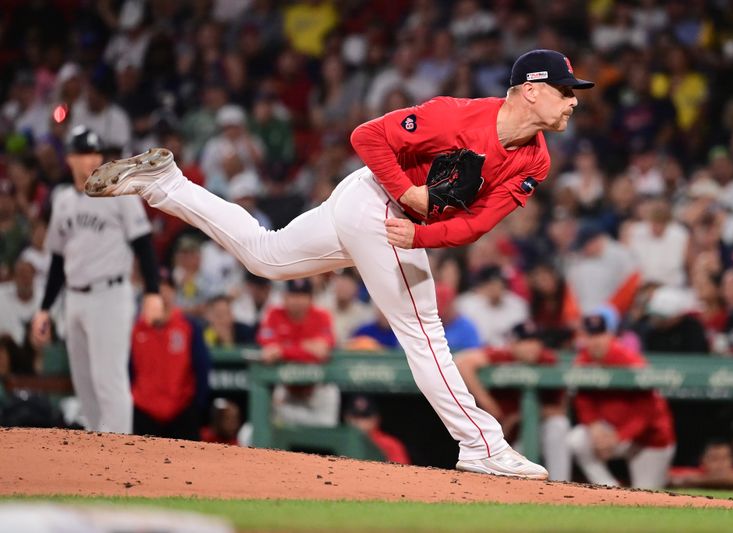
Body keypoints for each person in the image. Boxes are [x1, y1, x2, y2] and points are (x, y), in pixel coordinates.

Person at [85, 48, 595, 479]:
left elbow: (477, 224)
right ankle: (482, 445)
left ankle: (164, 184)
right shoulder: (456, 115)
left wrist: (421, 231)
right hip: (374, 199)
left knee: (265, 257)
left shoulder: (536, 159)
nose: (574, 99)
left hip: (394, 220)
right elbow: (366, 136)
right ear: (531, 90)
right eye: (566, 89)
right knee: (423, 331)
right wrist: (407, 195)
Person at [30, 126, 164, 434]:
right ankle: (93, 463)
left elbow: (144, 244)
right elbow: (57, 259)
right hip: (74, 298)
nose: (92, 159)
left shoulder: (120, 192)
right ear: (70, 159)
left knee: (109, 380)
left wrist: (153, 292)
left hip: (111, 295)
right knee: (84, 382)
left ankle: (118, 459)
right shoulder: (62, 199)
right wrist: (44, 308)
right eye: (84, 153)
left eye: (96, 152)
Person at [567, 311, 676, 489]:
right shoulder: (582, 362)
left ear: (610, 335)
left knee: (646, 498)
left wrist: (618, 437)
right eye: (590, 335)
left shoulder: (630, 360)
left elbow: (648, 412)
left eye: (600, 334)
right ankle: (609, 488)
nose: (595, 341)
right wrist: (593, 425)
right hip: (612, 431)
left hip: (649, 439)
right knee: (577, 439)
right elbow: (583, 400)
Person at [454, 320, 571, 481]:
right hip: (503, 437)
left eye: (535, 340)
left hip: (533, 431)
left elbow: (560, 410)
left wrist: (519, 416)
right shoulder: (504, 355)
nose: (531, 346)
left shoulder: (548, 360)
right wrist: (489, 405)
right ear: (513, 344)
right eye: (524, 341)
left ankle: (561, 483)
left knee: (558, 424)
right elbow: (462, 363)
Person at [130, 269, 210, 440]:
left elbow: (202, 368)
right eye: (157, 288)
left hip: (181, 411)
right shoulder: (134, 329)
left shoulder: (189, 327)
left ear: (174, 292)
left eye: (167, 287)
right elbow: (127, 370)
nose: (163, 293)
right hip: (143, 412)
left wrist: (197, 407)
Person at [258, 278, 339, 428]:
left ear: (310, 298)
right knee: (262, 428)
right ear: (284, 297)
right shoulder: (274, 314)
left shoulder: (322, 316)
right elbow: (269, 350)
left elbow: (322, 351)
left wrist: (283, 349)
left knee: (325, 426)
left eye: (302, 295)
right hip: (287, 389)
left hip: (317, 388)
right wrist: (306, 347)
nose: (297, 300)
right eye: (293, 295)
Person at [343, 395, 412, 465]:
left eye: (366, 416)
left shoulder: (390, 444)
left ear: (377, 418)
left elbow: (401, 471)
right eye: (355, 416)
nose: (360, 422)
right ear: (346, 417)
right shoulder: (341, 441)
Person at [669, 438, 733, 489]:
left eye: (725, 458)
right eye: (714, 458)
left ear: (732, 459)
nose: (720, 464)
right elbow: (668, 477)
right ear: (703, 461)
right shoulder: (695, 472)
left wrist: (694, 481)